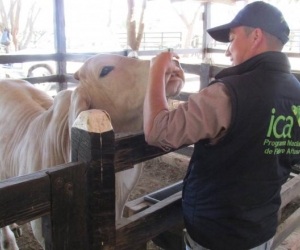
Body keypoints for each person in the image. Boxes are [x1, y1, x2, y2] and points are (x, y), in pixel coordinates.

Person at [143, 1, 300, 250]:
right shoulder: (296, 92)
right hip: (262, 230)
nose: (228, 51)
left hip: (216, 235)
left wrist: (156, 69)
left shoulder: (227, 94)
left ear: (256, 36)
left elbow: (157, 131)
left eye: (232, 38)